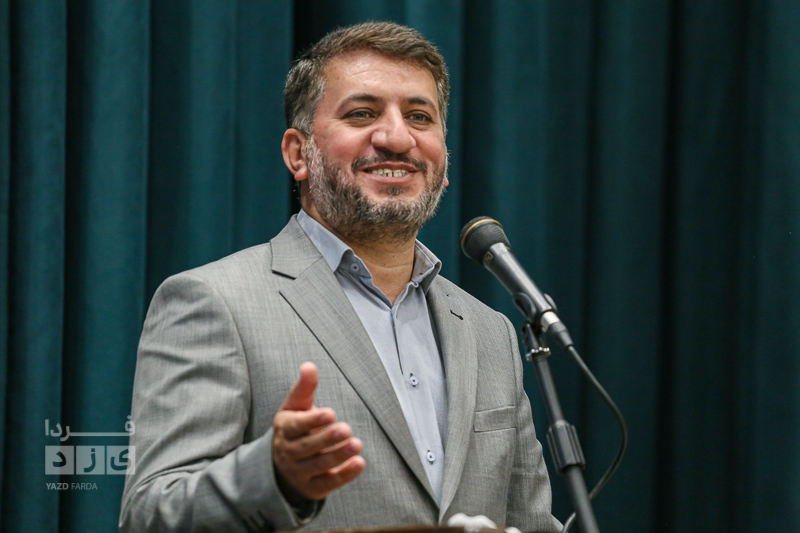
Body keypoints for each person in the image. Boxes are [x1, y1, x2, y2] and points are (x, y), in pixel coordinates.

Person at [119, 21, 560, 533]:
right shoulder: (214, 302)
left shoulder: (489, 332)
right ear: (297, 154)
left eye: (419, 116)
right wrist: (274, 478)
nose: (396, 137)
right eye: (361, 113)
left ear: (444, 161)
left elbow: (530, 522)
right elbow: (151, 516)